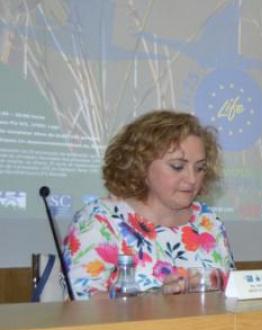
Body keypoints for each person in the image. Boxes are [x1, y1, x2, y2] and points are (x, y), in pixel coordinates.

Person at [63, 110, 235, 299]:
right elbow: (81, 303)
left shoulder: (208, 221)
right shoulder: (100, 220)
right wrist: (155, 300)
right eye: (178, 166)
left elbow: (232, 293)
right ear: (140, 165)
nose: (192, 178)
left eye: (200, 168)